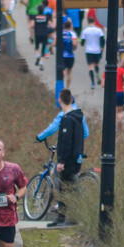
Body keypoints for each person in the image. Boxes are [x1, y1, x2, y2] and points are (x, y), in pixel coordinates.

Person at [37, 89, 88, 227]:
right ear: (71, 100)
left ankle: (68, 219)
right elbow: (83, 135)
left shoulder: (67, 119)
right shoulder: (79, 116)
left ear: (60, 100)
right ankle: (64, 218)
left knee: (67, 189)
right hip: (76, 158)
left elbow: (66, 142)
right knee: (68, 189)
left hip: (68, 160)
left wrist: (61, 162)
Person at [80, 23, 105, 90]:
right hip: (97, 50)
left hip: (89, 50)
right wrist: (102, 47)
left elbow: (82, 41)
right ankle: (97, 73)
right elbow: (102, 39)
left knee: (91, 66)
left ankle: (93, 82)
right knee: (96, 64)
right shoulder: (99, 30)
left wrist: (83, 44)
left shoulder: (85, 30)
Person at [59, 20, 79, 89]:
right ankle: (67, 88)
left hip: (62, 55)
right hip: (70, 55)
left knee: (62, 70)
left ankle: (61, 86)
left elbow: (54, 43)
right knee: (69, 72)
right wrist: (74, 48)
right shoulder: (72, 34)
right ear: (70, 26)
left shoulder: (61, 33)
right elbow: (74, 43)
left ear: (63, 26)